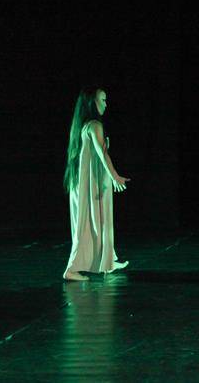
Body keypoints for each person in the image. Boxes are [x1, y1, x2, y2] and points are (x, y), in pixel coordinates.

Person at [62, 88, 129, 281]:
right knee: (86, 224)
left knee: (100, 221)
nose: (106, 104)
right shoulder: (94, 125)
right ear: (92, 102)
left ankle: (108, 261)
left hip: (88, 183)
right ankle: (71, 269)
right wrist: (115, 176)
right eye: (103, 100)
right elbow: (102, 153)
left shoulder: (83, 126)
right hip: (90, 184)